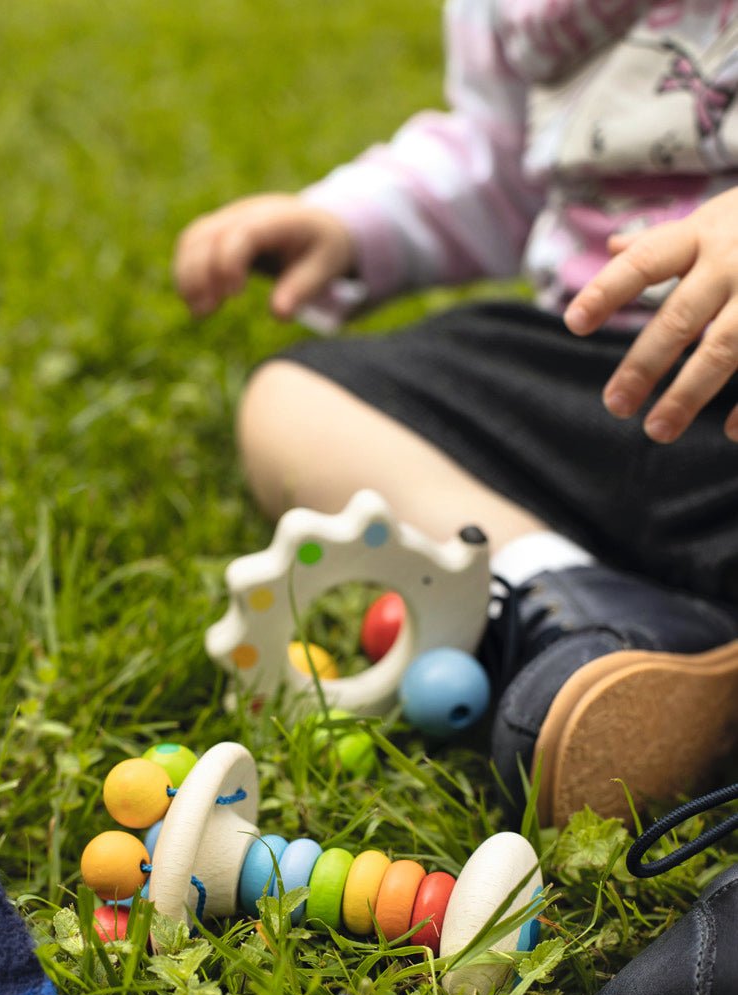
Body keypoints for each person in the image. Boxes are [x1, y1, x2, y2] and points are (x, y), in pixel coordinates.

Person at [174, 0, 738, 826]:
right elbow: (499, 154)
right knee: (293, 403)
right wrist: (346, 220)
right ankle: (575, 596)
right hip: (584, 369)